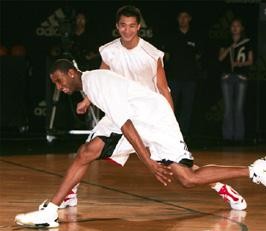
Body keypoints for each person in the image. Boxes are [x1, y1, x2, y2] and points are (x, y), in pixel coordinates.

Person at [15, 59, 266, 228]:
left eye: (60, 81)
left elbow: (127, 126)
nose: (59, 87)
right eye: (55, 84)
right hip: (137, 119)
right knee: (86, 151)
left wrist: (149, 162)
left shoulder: (95, 82)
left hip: (154, 122)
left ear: (71, 72)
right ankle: (51, 210)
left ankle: (255, 169)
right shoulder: (91, 84)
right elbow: (122, 121)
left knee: (187, 178)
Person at [61, 5, 247, 211]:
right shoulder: (108, 50)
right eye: (123, 26)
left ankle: (223, 188)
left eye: (132, 26)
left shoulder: (151, 54)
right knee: (87, 151)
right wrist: (87, 100)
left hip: (149, 116)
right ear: (117, 27)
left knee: (183, 171)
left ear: (139, 27)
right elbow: (102, 76)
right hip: (120, 112)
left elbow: (163, 88)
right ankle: (70, 193)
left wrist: (170, 122)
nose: (127, 30)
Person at [165, 10, 201, 140]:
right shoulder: (172, 35)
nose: (183, 20)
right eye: (180, 17)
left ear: (189, 19)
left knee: (187, 107)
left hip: (190, 78)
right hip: (174, 77)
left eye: (185, 17)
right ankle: (171, 132)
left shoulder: (195, 36)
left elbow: (198, 56)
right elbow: (167, 55)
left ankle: (183, 133)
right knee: (171, 106)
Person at [218, 18, 253, 144]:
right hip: (227, 76)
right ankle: (227, 137)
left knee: (238, 108)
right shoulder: (226, 41)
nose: (235, 28)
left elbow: (250, 60)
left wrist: (240, 63)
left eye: (237, 26)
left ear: (241, 28)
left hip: (241, 77)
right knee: (228, 108)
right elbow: (221, 57)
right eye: (233, 25)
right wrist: (230, 48)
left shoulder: (247, 42)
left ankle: (239, 138)